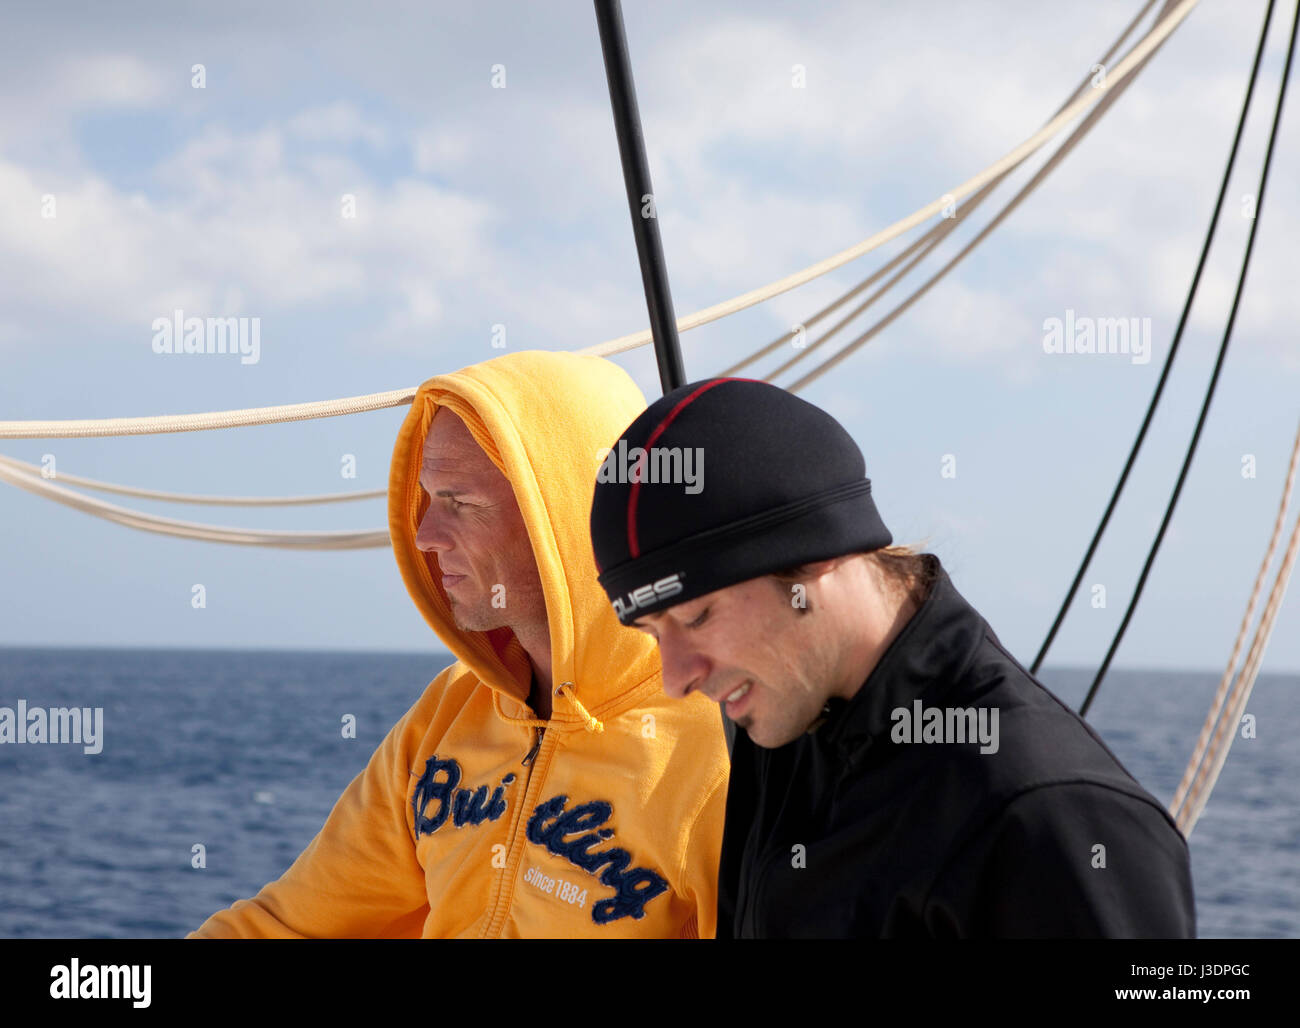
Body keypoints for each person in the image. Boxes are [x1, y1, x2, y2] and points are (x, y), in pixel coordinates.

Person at [589, 376, 1196, 938]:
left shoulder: (1050, 816)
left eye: (698, 616)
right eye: (651, 631)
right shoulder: (788, 724)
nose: (675, 678)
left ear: (817, 554)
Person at [189, 351, 729, 938]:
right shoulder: (447, 714)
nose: (425, 534)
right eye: (428, 498)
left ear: (566, 519)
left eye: (461, 503)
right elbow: (289, 927)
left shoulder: (715, 748)